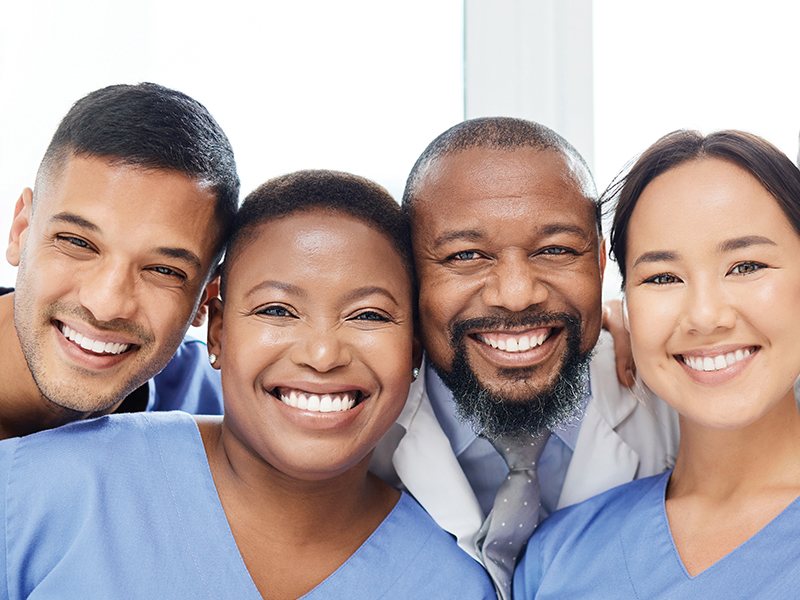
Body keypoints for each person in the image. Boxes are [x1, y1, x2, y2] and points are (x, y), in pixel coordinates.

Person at [0, 170, 495, 599]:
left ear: (413, 349)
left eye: (368, 315)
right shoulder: (37, 490)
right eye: (276, 310)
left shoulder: (451, 586)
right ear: (216, 329)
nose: (322, 355)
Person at [369, 117, 679, 599]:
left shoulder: (676, 402)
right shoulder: (358, 426)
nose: (516, 295)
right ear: (409, 275)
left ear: (599, 265)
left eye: (555, 250)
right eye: (466, 256)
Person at [515, 129, 800, 598]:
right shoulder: (559, 555)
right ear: (623, 302)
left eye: (746, 266)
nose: (706, 316)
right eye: (663, 277)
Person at [0, 82, 238, 438]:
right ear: (21, 231)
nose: (106, 305)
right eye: (77, 242)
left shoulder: (224, 411)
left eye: (163, 270)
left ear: (205, 299)